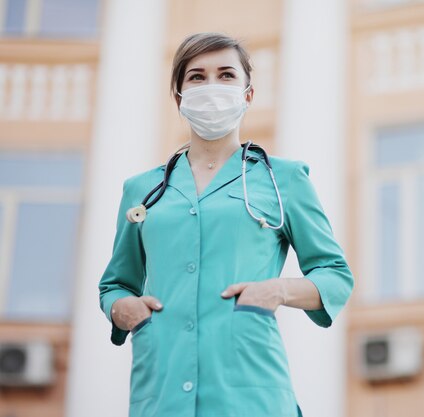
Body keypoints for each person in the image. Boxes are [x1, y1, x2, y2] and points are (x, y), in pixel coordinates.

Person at [98, 32, 354, 417]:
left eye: (226, 75)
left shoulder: (283, 179)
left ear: (248, 94)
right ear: (179, 97)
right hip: (161, 391)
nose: (212, 86)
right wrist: (121, 309)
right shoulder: (142, 189)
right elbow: (116, 282)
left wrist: (276, 291)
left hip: (251, 394)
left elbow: (335, 275)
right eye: (197, 77)